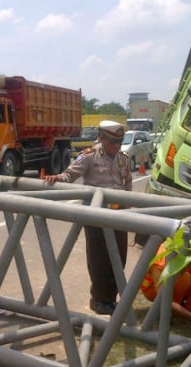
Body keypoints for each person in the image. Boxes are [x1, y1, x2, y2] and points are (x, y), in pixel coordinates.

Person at [44, 120, 132, 315]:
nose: (117, 145)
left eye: (120, 141)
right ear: (101, 138)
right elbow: (70, 174)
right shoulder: (89, 157)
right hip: (96, 217)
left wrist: (129, 211)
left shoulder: (123, 158)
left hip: (118, 216)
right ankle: (99, 299)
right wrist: (58, 178)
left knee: (119, 259)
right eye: (112, 141)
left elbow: (127, 186)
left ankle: (111, 298)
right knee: (99, 260)